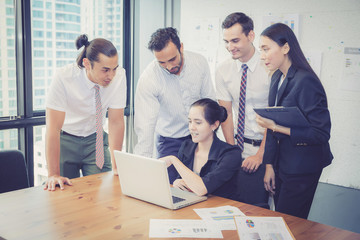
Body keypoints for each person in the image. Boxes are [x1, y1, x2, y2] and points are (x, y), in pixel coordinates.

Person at [257, 23, 333, 219]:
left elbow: (321, 133)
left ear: (285, 47)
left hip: (303, 166)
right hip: (283, 164)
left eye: (266, 49)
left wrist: (276, 127)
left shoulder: (305, 81)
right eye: (261, 50)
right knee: (282, 219)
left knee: (290, 222)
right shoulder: (276, 78)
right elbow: (272, 125)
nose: (262, 55)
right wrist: (269, 166)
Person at [44, 34, 127, 191]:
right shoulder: (64, 77)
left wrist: (117, 167)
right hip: (65, 141)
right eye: (105, 70)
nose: (111, 75)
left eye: (114, 69)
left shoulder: (119, 76)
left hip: (95, 141)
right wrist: (53, 174)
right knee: (63, 193)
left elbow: (116, 121)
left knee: (105, 190)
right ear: (87, 64)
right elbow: (53, 128)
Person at [134, 27, 215, 183]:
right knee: (170, 187)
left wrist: (211, 137)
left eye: (172, 59)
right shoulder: (149, 78)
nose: (169, 66)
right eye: (162, 62)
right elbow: (145, 126)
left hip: (200, 137)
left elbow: (209, 101)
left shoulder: (199, 62)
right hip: (169, 140)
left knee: (203, 185)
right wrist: (142, 167)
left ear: (181, 47)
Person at [215, 12, 270, 205]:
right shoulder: (223, 69)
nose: (230, 47)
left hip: (268, 146)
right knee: (232, 204)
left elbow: (275, 118)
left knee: (260, 207)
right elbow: (226, 113)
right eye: (226, 41)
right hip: (239, 145)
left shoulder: (270, 66)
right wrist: (232, 149)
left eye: (235, 40)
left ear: (251, 36)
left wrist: (260, 155)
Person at [161, 98, 242, 199]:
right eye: (190, 121)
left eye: (198, 123)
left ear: (214, 125)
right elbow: (181, 179)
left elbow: (202, 189)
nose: (191, 127)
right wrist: (177, 182)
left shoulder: (231, 154)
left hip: (221, 209)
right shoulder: (187, 146)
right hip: (193, 205)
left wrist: (174, 160)